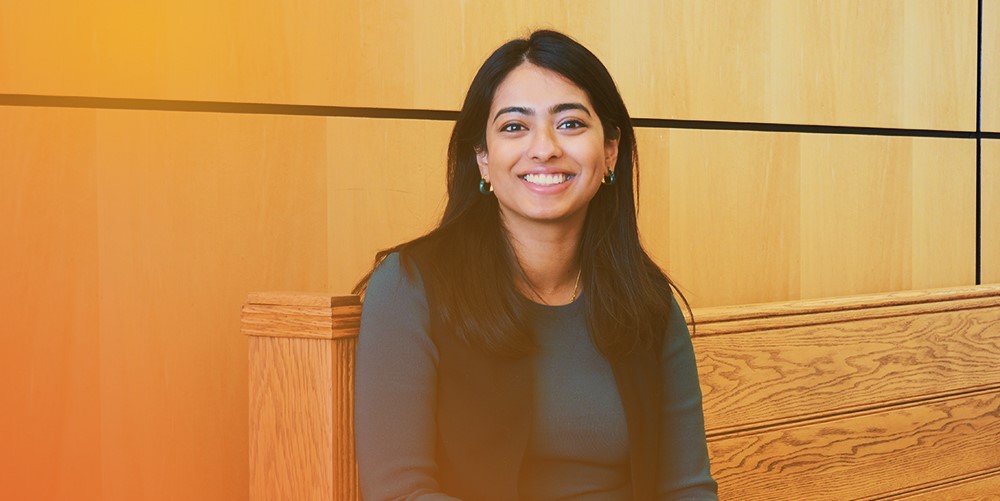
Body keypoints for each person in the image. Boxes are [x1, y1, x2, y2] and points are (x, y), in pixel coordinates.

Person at [353, 29, 718, 500]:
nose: (544, 148)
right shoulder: (410, 287)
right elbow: (399, 492)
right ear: (482, 159)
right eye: (513, 127)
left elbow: (686, 489)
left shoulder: (646, 302)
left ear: (609, 151)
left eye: (570, 124)